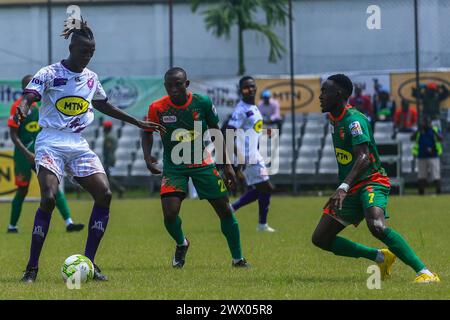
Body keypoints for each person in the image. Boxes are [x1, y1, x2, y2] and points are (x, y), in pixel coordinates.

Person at [15, 18, 163, 283]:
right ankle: (32, 268)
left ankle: (90, 263)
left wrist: (135, 121)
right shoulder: (50, 72)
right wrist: (25, 106)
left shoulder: (91, 78)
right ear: (72, 48)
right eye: (84, 51)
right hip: (50, 140)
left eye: (92, 52)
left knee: (104, 194)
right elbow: (31, 96)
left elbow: (104, 105)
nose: (88, 56)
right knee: (48, 198)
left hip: (77, 143)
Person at [312, 74, 439, 283]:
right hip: (351, 186)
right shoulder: (334, 118)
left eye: (325, 91)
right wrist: (346, 187)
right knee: (320, 238)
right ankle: (381, 257)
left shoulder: (354, 121)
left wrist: (343, 186)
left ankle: (425, 273)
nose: (320, 96)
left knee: (376, 226)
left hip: (372, 181)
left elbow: (363, 157)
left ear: (339, 94)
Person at [141, 67, 249, 268]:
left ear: (186, 84)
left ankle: (238, 259)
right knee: (170, 214)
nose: (174, 89)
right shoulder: (157, 108)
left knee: (224, 210)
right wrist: (147, 156)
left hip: (203, 164)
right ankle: (182, 243)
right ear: (165, 86)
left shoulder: (203, 103)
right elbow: (147, 131)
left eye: (178, 84)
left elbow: (216, 133)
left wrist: (227, 166)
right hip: (174, 167)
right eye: (170, 85)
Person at [7, 75, 84, 234]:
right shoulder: (18, 106)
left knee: (53, 186)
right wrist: (27, 153)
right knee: (22, 190)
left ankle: (69, 222)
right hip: (23, 155)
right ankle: (12, 226)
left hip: (42, 152)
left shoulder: (44, 105)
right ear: (25, 88)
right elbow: (13, 134)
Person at [228, 76, 275, 232]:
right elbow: (229, 134)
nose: (250, 89)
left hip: (254, 154)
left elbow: (251, 129)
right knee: (266, 188)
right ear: (241, 90)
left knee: (263, 188)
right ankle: (261, 224)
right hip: (249, 157)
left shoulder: (254, 107)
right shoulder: (241, 110)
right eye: (246, 87)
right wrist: (239, 155)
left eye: (252, 86)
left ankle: (232, 208)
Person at [411, 116, 443, 195]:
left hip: (433, 155)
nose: (425, 124)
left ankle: (439, 193)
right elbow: (411, 138)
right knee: (422, 177)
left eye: (427, 123)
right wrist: (418, 130)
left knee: (436, 176)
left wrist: (433, 130)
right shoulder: (419, 131)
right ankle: (421, 193)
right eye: (424, 123)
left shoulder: (434, 129)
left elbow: (441, 138)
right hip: (422, 156)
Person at [102, 121, 125, 198]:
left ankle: (119, 189)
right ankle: (117, 190)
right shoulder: (110, 136)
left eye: (104, 127)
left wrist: (106, 160)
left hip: (109, 159)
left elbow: (108, 150)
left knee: (106, 176)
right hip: (110, 158)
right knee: (107, 176)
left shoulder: (108, 137)